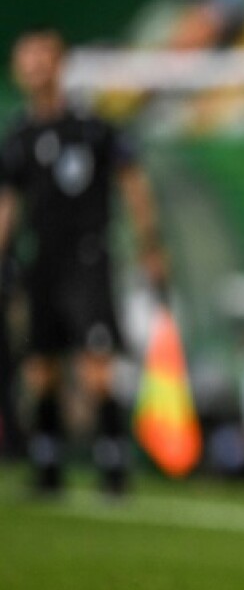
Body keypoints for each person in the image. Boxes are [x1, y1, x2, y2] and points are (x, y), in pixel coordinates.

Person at [0, 28, 168, 496]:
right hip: (41, 262)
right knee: (40, 366)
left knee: (97, 363)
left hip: (88, 257)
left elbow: (132, 181)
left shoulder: (91, 125)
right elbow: (8, 201)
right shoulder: (19, 133)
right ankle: (48, 468)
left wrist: (150, 246)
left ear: (59, 63)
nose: (33, 66)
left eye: (42, 57)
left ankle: (113, 467)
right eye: (25, 58)